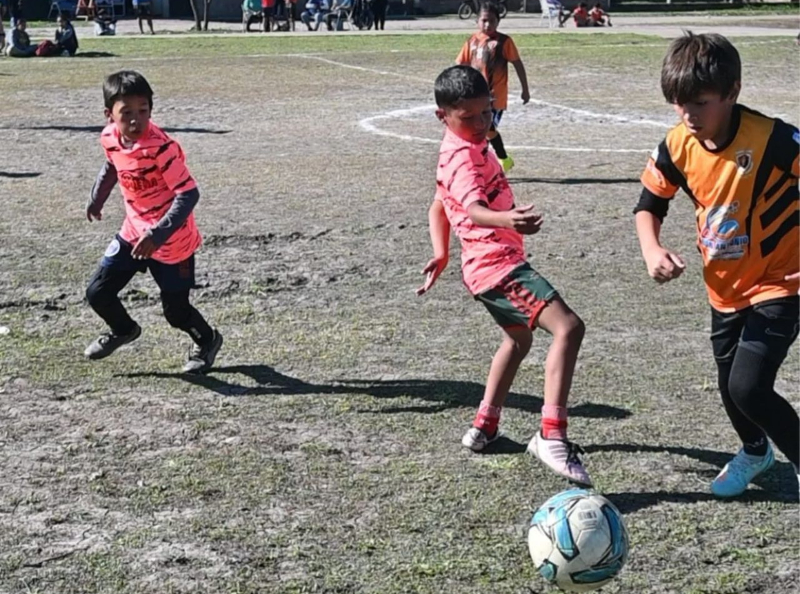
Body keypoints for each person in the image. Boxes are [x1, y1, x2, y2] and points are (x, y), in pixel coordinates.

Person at [634, 33, 799, 498]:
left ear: (732, 92)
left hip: (780, 283)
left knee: (748, 386)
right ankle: (755, 451)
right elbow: (649, 204)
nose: (688, 114)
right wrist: (652, 249)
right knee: (730, 386)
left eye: (700, 103)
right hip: (724, 288)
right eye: (678, 103)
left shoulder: (773, 139)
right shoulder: (676, 146)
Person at [418, 65, 591, 486]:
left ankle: (485, 425)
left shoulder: (463, 143)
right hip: (496, 265)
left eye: (487, 112)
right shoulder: (462, 158)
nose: (482, 124)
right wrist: (507, 219)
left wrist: (441, 252)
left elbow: (440, 204)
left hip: (486, 265)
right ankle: (551, 435)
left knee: (518, 340)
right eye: (469, 117)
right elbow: (473, 209)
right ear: (443, 116)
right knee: (568, 328)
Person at [84, 71, 223, 374]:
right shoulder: (109, 137)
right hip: (133, 232)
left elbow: (188, 193)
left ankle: (207, 340)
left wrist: (158, 235)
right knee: (98, 293)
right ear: (109, 115)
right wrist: (97, 198)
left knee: (176, 313)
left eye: (143, 111)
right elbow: (113, 164)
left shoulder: (161, 147)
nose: (136, 120)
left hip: (172, 242)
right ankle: (124, 329)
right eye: (127, 113)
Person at [456, 1, 530, 174]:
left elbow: (517, 63)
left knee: (486, 130)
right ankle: (500, 159)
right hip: (476, 96)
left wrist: (525, 89)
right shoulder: (472, 41)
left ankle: (488, 163)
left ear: (498, 22)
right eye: (484, 20)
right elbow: (460, 64)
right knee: (480, 130)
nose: (487, 24)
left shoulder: (504, 42)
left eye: (492, 21)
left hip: (495, 97)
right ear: (477, 21)